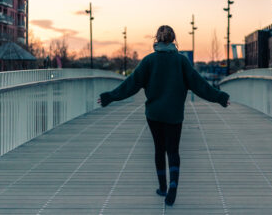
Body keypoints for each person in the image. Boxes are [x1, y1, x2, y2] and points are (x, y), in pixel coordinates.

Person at [98, 25, 230, 206]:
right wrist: (220, 97)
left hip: (154, 114)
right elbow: (199, 85)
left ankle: (162, 187)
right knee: (173, 150)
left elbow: (131, 84)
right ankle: (173, 184)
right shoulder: (181, 61)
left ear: (156, 40)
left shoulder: (148, 61)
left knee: (159, 149)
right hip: (174, 114)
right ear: (174, 40)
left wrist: (109, 97)